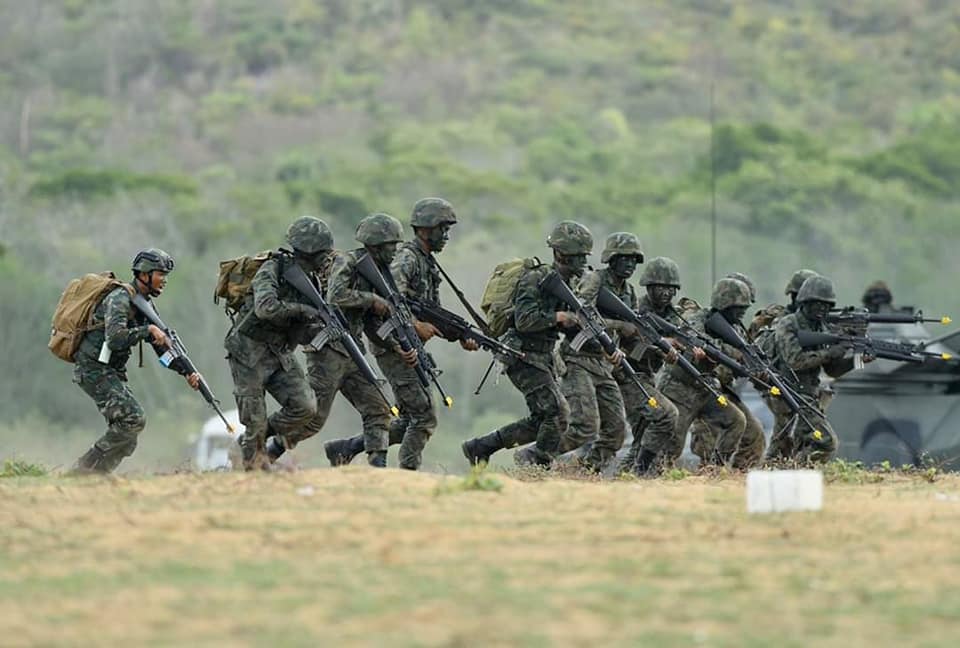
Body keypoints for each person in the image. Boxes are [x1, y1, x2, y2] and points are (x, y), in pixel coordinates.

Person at [261, 217, 394, 468]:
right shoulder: (345, 262)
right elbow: (336, 296)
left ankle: (379, 466)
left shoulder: (373, 273)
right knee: (313, 420)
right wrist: (370, 299)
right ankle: (265, 454)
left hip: (353, 350)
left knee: (379, 407)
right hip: (327, 352)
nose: (394, 251)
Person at [460, 222, 592, 466]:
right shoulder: (536, 278)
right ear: (560, 254)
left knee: (544, 417)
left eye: (585, 256)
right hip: (520, 354)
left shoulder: (570, 285)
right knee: (557, 413)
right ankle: (535, 462)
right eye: (578, 256)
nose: (583, 262)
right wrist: (558, 318)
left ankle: (481, 447)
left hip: (543, 356)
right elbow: (524, 320)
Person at [70, 249, 200, 474]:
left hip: (108, 371)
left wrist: (185, 371)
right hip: (93, 369)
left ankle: (95, 477)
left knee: (128, 436)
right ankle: (82, 471)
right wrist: (147, 330)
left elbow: (162, 351)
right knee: (133, 419)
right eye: (161, 274)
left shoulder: (143, 304)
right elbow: (115, 338)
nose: (164, 280)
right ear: (145, 274)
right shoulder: (120, 298)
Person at [224, 218, 322, 470]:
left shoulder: (312, 281)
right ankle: (254, 467)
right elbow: (266, 308)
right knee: (253, 420)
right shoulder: (273, 269)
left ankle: (251, 441)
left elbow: (302, 327)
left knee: (305, 407)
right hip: (248, 352)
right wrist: (302, 310)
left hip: (278, 353)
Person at [638, 278, 758, 473]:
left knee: (736, 421)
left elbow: (735, 359)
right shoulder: (697, 320)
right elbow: (688, 340)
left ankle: (714, 470)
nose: (742, 312)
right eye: (738, 307)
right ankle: (650, 477)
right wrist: (721, 352)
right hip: (680, 389)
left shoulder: (734, 330)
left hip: (705, 389)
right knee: (672, 447)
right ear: (725, 303)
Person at [769, 275, 861, 463]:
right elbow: (795, 361)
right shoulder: (788, 324)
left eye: (826, 305)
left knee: (784, 448)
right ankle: (792, 471)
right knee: (825, 441)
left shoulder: (823, 328)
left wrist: (856, 359)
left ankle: (787, 474)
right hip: (788, 394)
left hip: (808, 396)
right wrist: (830, 352)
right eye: (817, 304)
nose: (822, 309)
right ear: (805, 301)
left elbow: (832, 370)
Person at [615, 257, 682, 475]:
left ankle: (626, 478)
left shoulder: (673, 317)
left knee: (643, 435)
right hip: (627, 376)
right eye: (662, 287)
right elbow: (632, 348)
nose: (666, 293)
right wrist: (659, 346)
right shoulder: (635, 309)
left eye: (671, 288)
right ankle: (639, 472)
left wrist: (672, 353)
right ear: (650, 286)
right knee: (666, 415)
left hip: (647, 378)